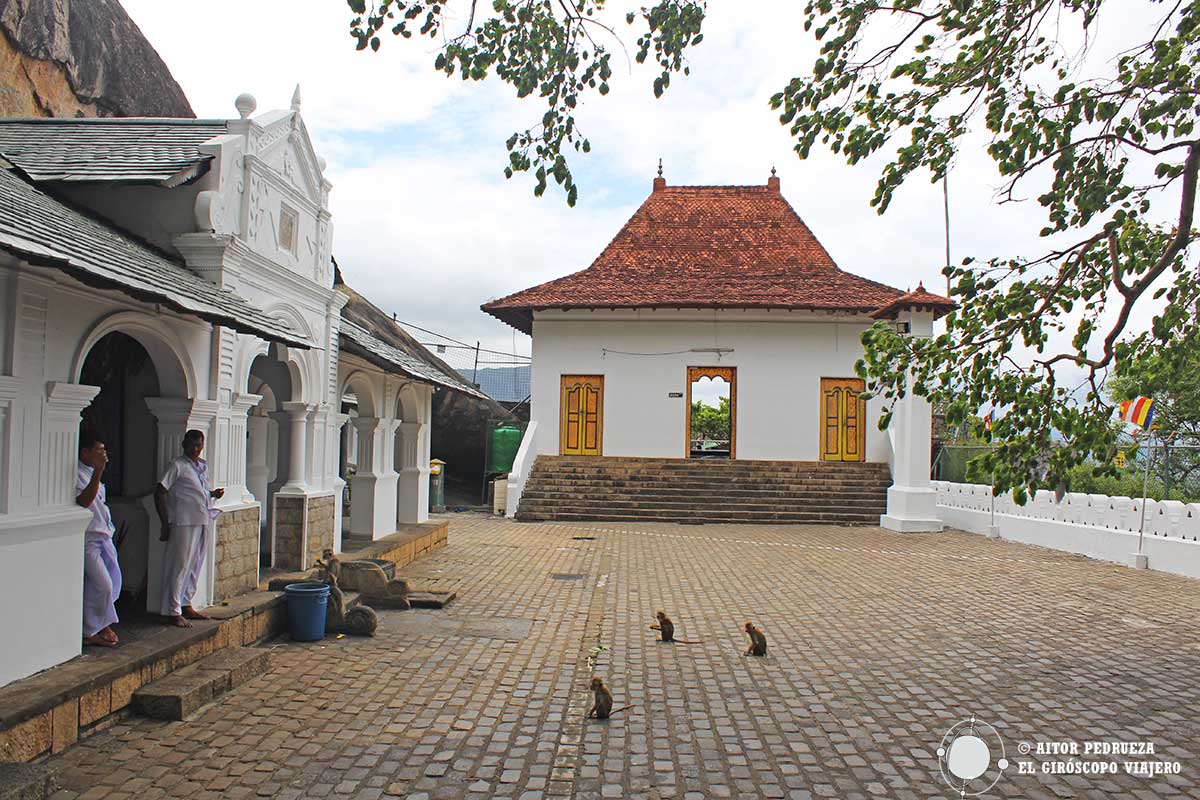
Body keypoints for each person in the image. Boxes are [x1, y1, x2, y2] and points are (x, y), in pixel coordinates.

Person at [154, 430, 224, 628]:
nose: (196, 449)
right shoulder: (177, 466)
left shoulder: (201, 466)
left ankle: (186, 603)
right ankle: (171, 610)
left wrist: (212, 494)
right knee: (179, 565)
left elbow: (197, 491)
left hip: (202, 519)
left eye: (199, 445)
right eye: (192, 445)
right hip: (182, 522)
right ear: (184, 444)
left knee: (194, 565)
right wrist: (164, 522)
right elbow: (160, 492)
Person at [76, 431, 121, 647]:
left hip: (103, 535)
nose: (103, 455)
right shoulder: (78, 474)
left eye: (104, 450)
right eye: (98, 451)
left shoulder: (92, 472)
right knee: (103, 585)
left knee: (113, 582)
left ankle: (101, 623)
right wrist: (99, 473)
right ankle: (89, 630)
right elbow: (84, 501)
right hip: (88, 539)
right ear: (85, 452)